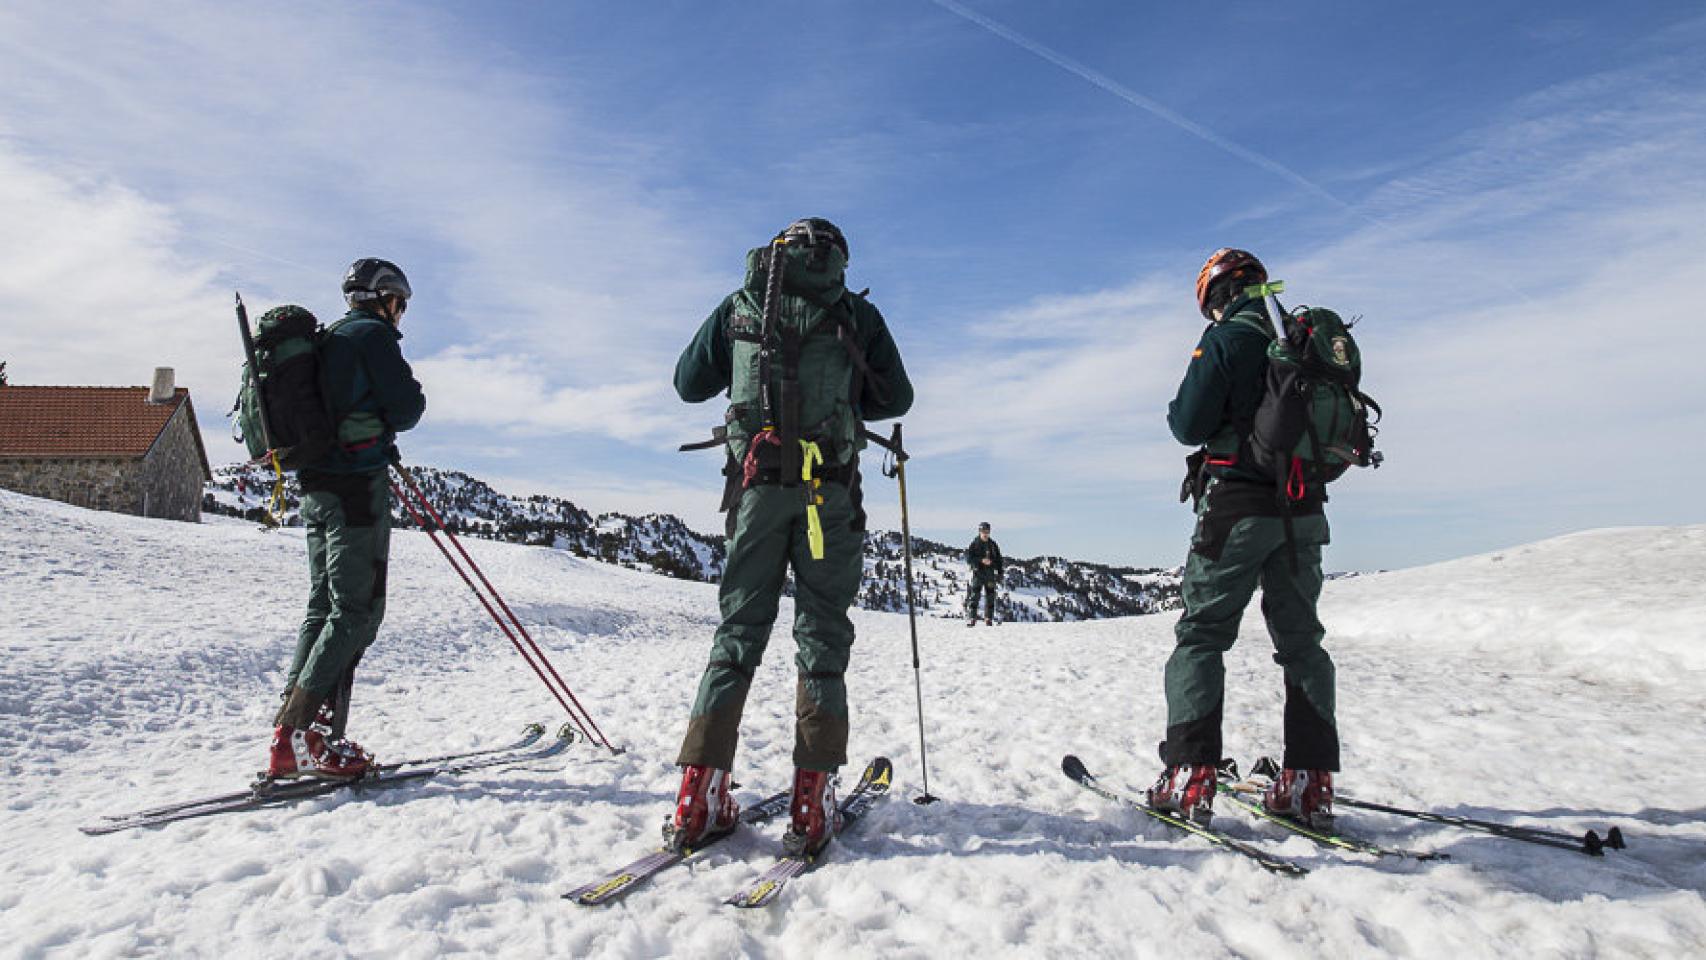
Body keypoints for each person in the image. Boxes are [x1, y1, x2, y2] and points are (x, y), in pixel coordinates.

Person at [668, 218, 913, 856]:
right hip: (826, 495)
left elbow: (688, 383)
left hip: (755, 491)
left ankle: (699, 794)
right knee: (822, 634)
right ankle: (812, 799)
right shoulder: (855, 314)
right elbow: (897, 398)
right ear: (837, 258)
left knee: (739, 632)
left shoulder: (741, 305)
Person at [1147, 248, 1338, 828]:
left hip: (1236, 504)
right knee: (1302, 643)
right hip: (1302, 508)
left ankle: (1190, 774)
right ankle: (1308, 783)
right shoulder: (1298, 335)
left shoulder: (1229, 338)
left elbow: (1187, 422)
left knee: (1202, 635)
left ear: (1214, 296)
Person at [267, 258, 426, 780]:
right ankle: (302, 736)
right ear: (385, 298)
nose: (400, 313)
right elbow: (407, 408)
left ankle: (294, 735)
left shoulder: (327, 337)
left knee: (324, 606)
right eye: (399, 302)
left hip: (314, 485)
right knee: (357, 611)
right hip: (356, 486)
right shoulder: (372, 336)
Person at [964, 521, 1003, 626]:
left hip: (990, 574)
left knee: (990, 596)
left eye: (987, 531)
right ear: (979, 532)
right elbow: (969, 559)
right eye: (983, 531)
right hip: (978, 573)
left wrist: (1000, 573)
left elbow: (999, 560)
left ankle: (988, 618)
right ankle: (972, 618)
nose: (985, 534)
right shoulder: (975, 544)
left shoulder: (993, 545)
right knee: (975, 596)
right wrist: (981, 560)